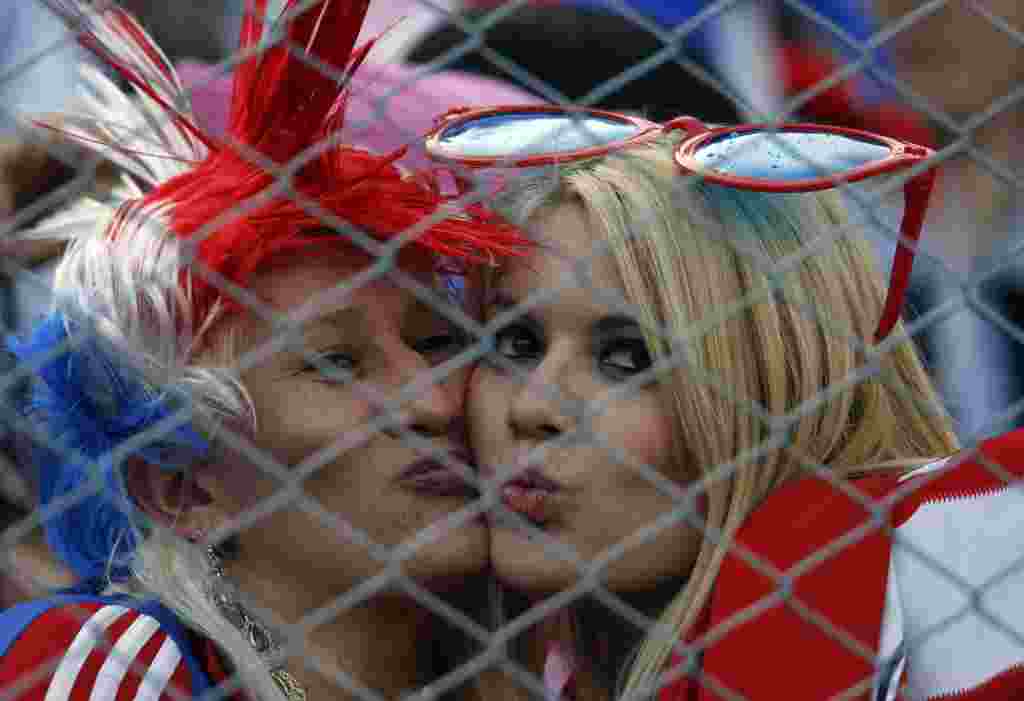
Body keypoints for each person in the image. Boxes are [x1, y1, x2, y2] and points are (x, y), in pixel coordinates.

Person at [0, 3, 527, 701]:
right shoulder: (111, 667)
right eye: (336, 362)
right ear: (186, 490)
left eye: (440, 343)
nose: (434, 403)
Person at [452, 115, 1024, 699]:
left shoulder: (960, 603)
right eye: (516, 343)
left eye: (627, 358)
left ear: (784, 387)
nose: (531, 407)